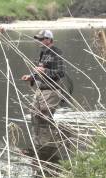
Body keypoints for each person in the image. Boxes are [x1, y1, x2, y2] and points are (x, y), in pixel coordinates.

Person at [21, 29, 69, 162]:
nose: (39, 42)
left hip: (51, 90)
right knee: (34, 115)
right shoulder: (42, 53)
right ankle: (38, 145)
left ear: (49, 40)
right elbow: (38, 72)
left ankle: (48, 149)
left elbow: (61, 72)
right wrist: (31, 77)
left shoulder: (56, 52)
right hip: (40, 90)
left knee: (44, 117)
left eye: (41, 39)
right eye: (38, 39)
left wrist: (45, 70)